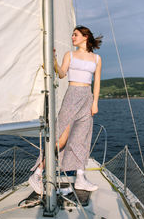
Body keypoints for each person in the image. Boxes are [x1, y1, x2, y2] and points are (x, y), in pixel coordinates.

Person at [29, 25, 102, 194]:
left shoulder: (97, 59)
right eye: (72, 35)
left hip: (87, 97)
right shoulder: (69, 55)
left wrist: (95, 102)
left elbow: (97, 82)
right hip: (72, 96)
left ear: (85, 37)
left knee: (82, 138)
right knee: (61, 139)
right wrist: (54, 60)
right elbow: (62, 74)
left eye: (75, 35)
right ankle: (38, 173)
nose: (72, 37)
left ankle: (81, 178)